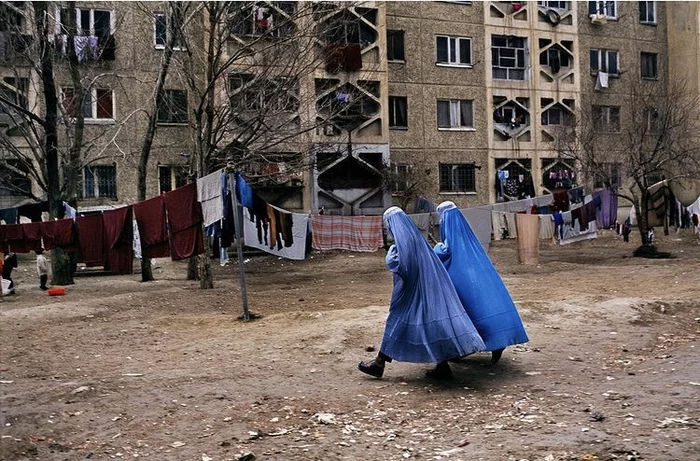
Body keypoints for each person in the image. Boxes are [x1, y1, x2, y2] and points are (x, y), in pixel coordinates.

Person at [358, 206, 485, 380]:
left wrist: (391, 253)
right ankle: (442, 366)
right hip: (428, 292)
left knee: (397, 323)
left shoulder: (404, 244)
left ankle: (379, 363)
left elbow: (401, 266)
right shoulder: (417, 239)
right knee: (432, 325)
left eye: (389, 225)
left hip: (411, 294)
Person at [433, 201, 529, 364]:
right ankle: (496, 343)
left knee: (465, 312)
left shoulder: (449, 237)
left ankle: (462, 348)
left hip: (460, 279)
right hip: (477, 276)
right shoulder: (467, 234)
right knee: (483, 309)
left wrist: (436, 248)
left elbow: (443, 252)